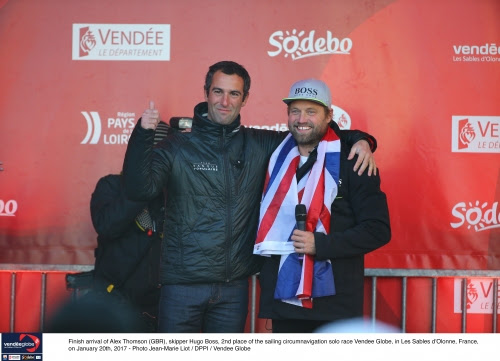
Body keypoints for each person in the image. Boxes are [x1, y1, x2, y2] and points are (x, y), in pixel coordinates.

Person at [122, 60, 377, 333]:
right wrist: (142, 135)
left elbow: (310, 132)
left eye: (234, 94)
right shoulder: (177, 145)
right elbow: (139, 189)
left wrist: (362, 140)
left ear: (245, 99)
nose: (225, 101)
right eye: (218, 91)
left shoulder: (260, 143)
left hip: (233, 288)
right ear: (206, 92)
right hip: (183, 285)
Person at [254, 78, 391, 333]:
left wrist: (321, 244)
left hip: (335, 308)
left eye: (311, 111)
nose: (301, 118)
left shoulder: (354, 161)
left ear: (329, 115)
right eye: (295, 110)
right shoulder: (274, 153)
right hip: (284, 304)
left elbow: (378, 229)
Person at [88, 121, 171, 332]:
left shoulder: (173, 195)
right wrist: (140, 188)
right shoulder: (111, 186)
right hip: (112, 304)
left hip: (158, 309)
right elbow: (107, 225)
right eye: (148, 156)